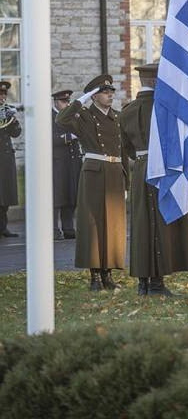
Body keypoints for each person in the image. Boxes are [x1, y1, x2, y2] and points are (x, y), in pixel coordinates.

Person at [120, 63, 188, 296]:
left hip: (141, 168)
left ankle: (143, 282)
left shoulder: (126, 111)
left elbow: (127, 148)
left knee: (142, 225)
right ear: (157, 81)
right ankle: (156, 283)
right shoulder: (165, 109)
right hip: (163, 168)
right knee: (161, 224)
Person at [56, 74, 128, 291]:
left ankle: (108, 274)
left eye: (111, 92)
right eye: (105, 92)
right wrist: (80, 100)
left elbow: (123, 151)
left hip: (115, 173)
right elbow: (61, 120)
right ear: (95, 96)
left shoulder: (117, 116)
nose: (110, 95)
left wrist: (127, 183)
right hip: (94, 173)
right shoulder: (84, 116)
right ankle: (94, 276)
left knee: (112, 226)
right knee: (93, 224)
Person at [51, 89, 82, 240]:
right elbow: (48, 138)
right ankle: (53, 229)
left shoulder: (71, 117)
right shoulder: (49, 116)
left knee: (71, 194)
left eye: (68, 101)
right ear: (56, 102)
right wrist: (68, 137)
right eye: (64, 102)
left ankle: (68, 228)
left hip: (72, 161)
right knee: (57, 196)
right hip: (57, 162)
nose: (67, 104)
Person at [0, 80, 21, 238]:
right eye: (0, 94)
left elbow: (15, 133)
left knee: (5, 192)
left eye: (4, 94)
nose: (2, 97)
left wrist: (13, 122)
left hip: (6, 157)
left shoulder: (7, 111)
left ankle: (3, 227)